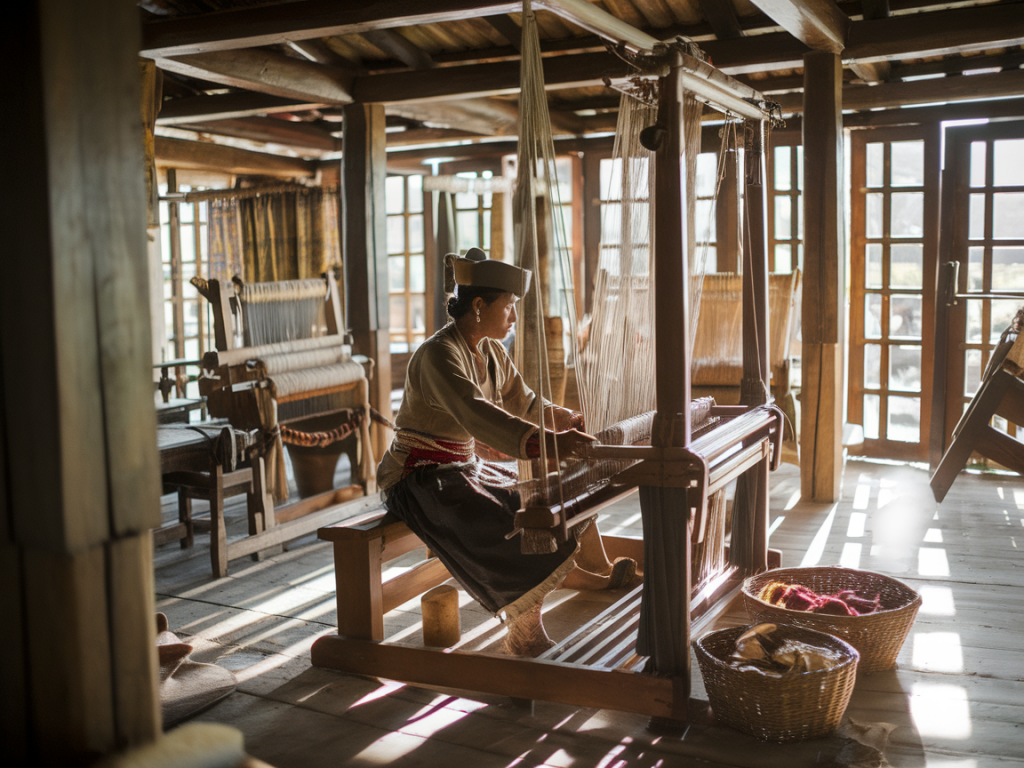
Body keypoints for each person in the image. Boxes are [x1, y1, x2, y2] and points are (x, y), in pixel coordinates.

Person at [377, 247, 639, 656]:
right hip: (419, 477)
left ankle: (594, 572)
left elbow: (525, 402)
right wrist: (550, 442)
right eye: (510, 306)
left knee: (559, 490)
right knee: (510, 519)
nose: (514, 316)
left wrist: (566, 420)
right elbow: (474, 412)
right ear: (479, 306)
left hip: (461, 468)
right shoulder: (438, 354)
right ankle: (524, 630)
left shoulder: (492, 351)